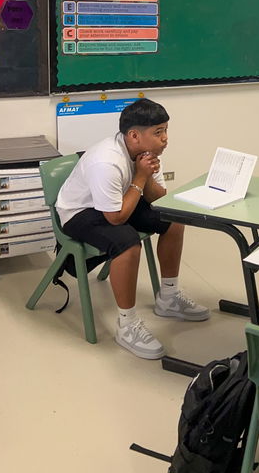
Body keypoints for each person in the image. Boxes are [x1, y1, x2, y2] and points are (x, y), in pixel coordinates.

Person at [54, 98, 208, 360]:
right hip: (80, 211)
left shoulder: (147, 154)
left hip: (119, 201)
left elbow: (158, 198)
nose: (165, 139)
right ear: (134, 135)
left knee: (173, 218)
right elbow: (116, 218)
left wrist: (144, 175)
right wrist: (140, 177)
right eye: (158, 132)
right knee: (127, 243)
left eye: (165, 130)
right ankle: (127, 325)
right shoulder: (106, 161)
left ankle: (169, 297)